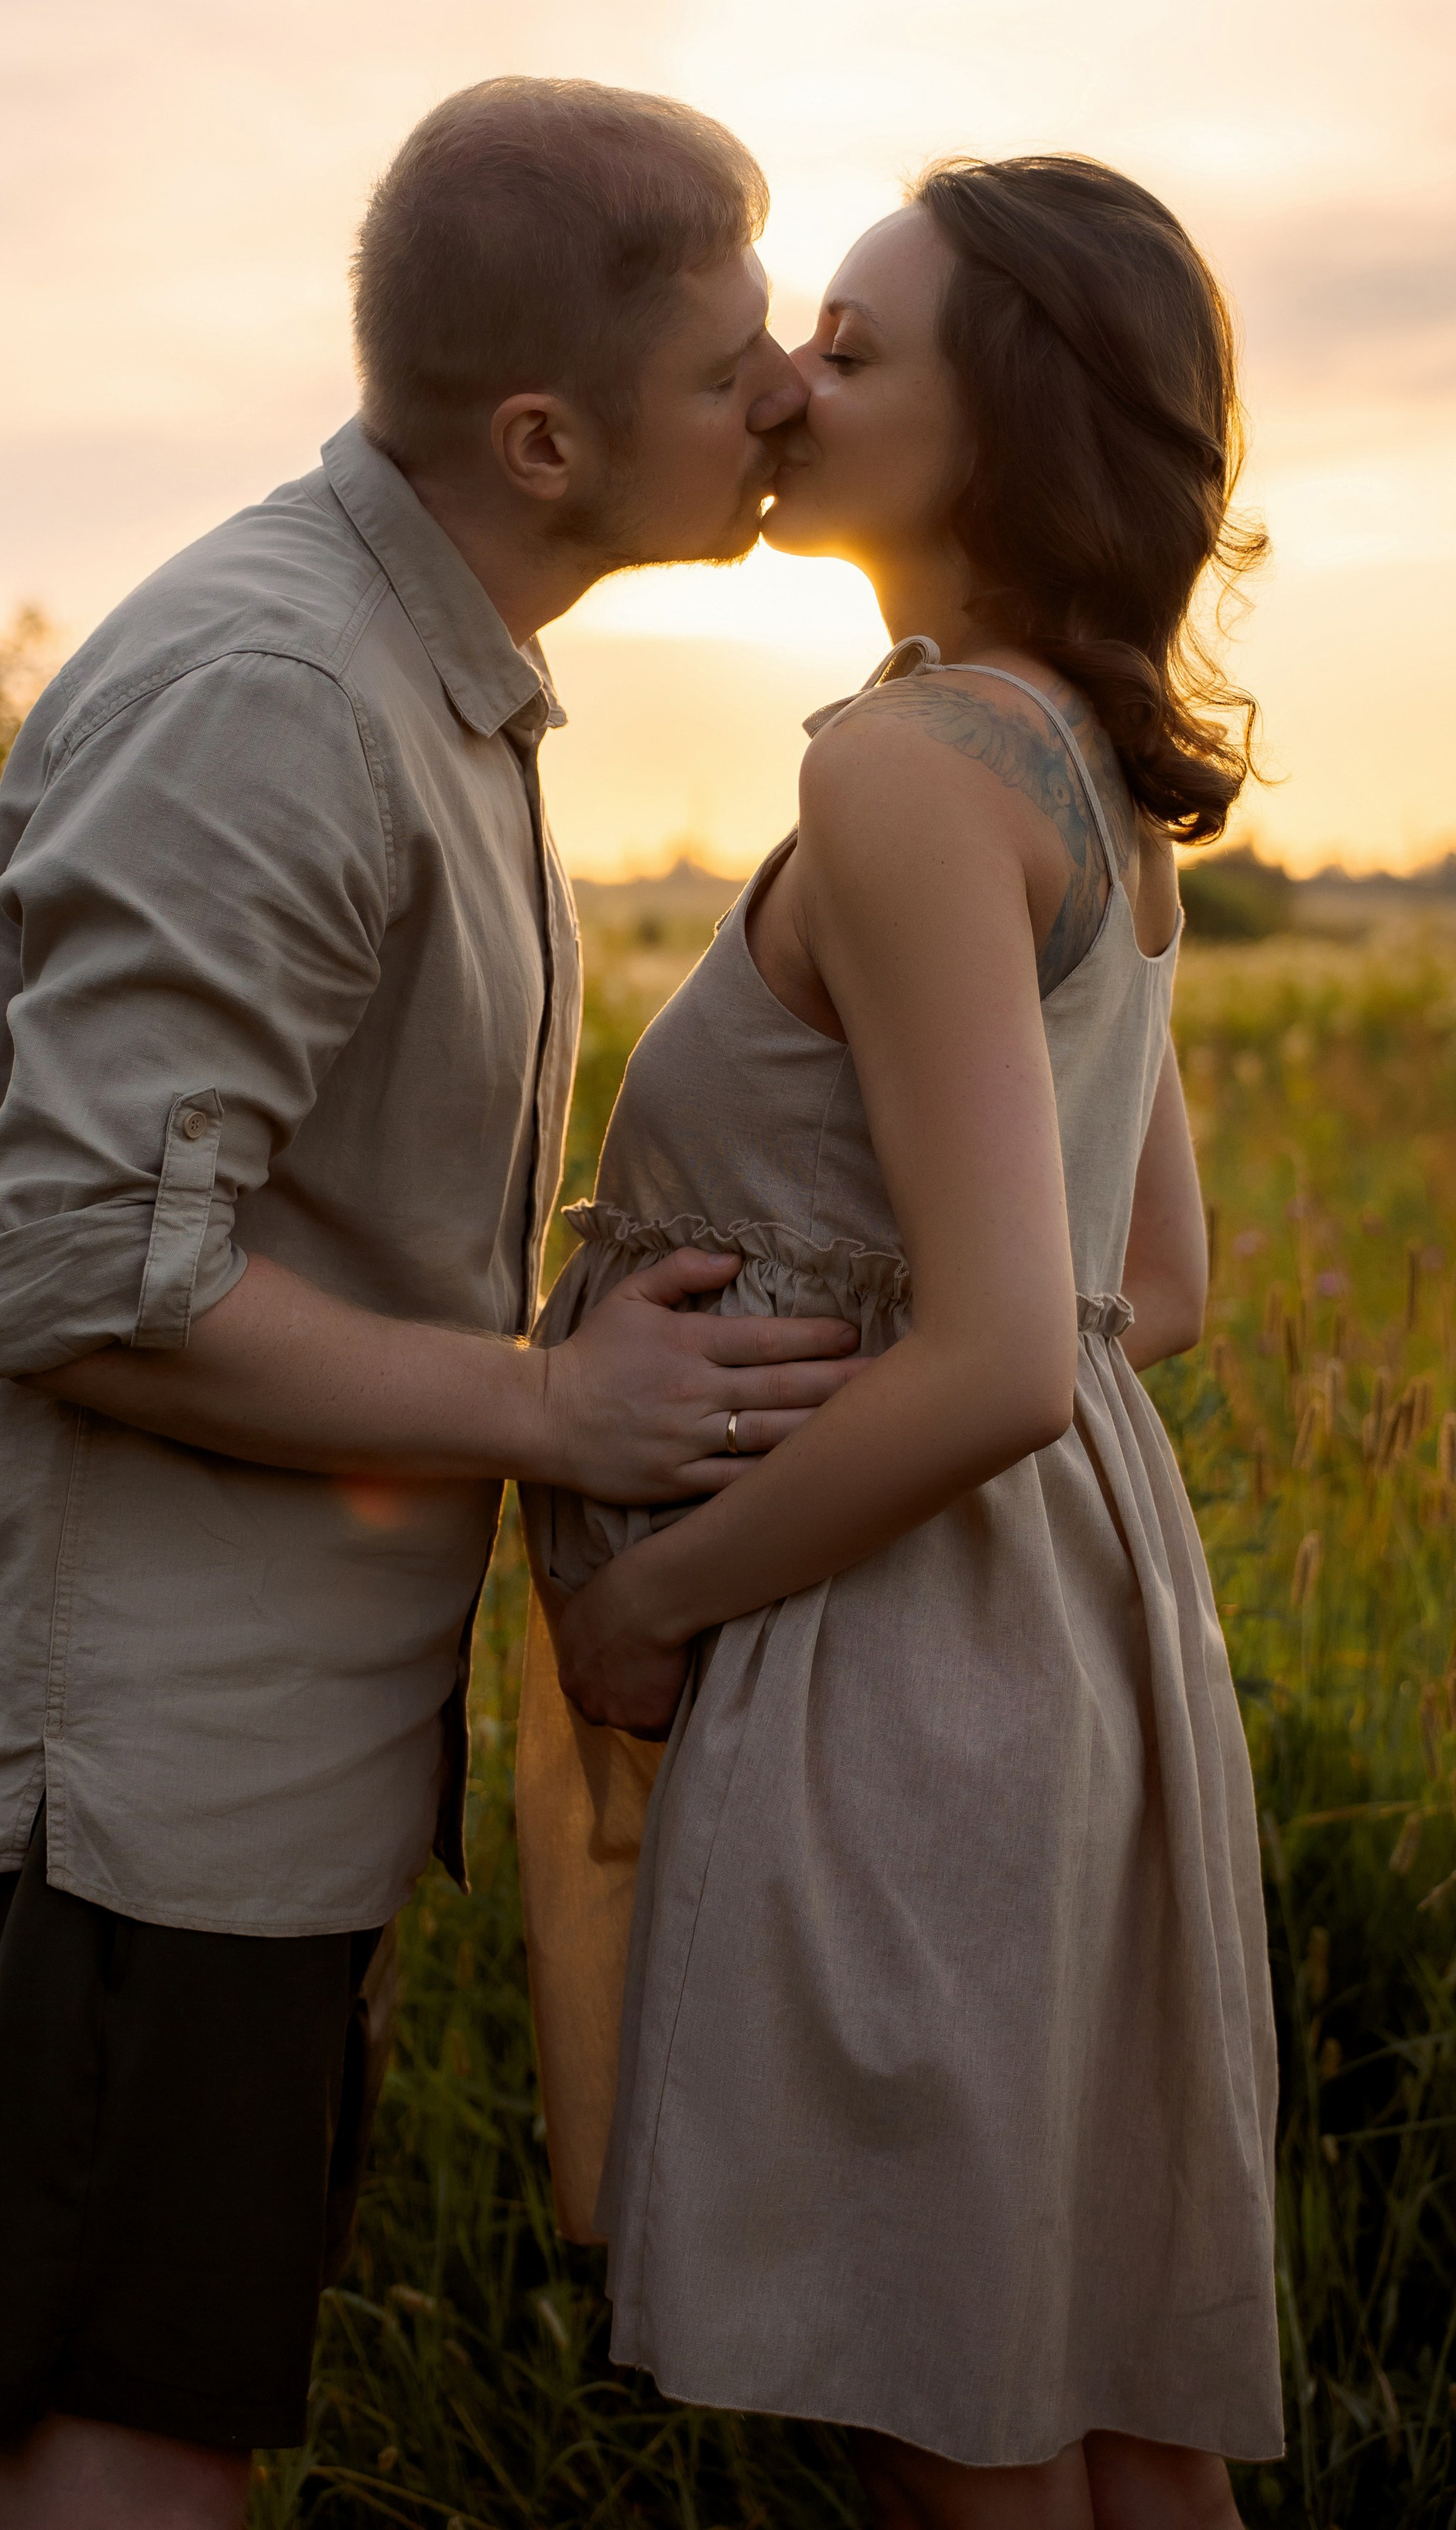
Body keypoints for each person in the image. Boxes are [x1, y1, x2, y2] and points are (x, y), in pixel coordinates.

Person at [0, 77, 868, 2530]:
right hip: (129, 1795)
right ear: (542, 433)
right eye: (732, 356)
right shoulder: (278, 697)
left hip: (245, 1773)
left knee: (165, 2397)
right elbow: (83, 1278)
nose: (784, 397)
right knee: (120, 2429)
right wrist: (559, 1407)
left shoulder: (428, 672)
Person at [519, 156, 1283, 2528]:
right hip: (1066, 1632)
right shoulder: (1081, 773)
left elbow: (1007, 1360)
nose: (789, 378)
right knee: (1101, 2400)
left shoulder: (912, 772)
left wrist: (640, 1600)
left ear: (1008, 419)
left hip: (897, 1668)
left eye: (858, 346)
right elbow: (1135, 1289)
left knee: (956, 2420)